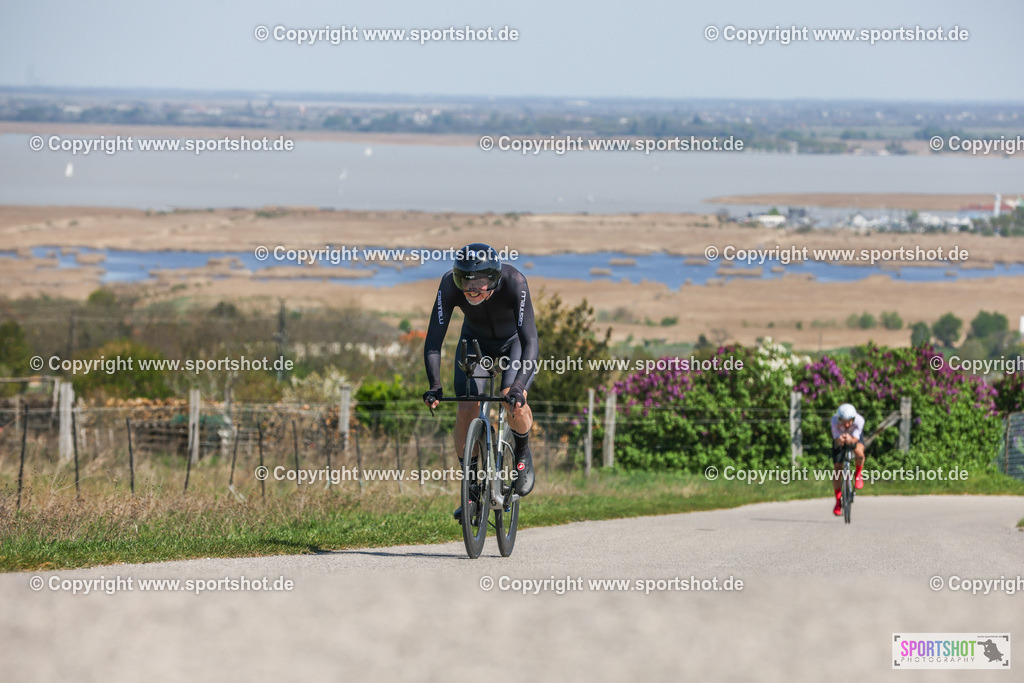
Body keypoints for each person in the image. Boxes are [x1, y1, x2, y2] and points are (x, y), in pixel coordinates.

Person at [422, 243, 539, 521]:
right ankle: (472, 488)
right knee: (467, 406)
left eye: (480, 282)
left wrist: (519, 387)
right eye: (465, 281)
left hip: (514, 345)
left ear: (495, 278)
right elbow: (433, 342)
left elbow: (530, 341)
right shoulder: (449, 285)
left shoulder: (515, 282)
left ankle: (522, 455)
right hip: (475, 344)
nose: (471, 289)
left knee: (512, 397)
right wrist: (435, 384)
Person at [831, 403, 865, 516]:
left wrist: (850, 441)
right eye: (843, 421)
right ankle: (838, 500)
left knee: (859, 452)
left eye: (849, 421)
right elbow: (836, 439)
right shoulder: (834, 420)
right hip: (840, 438)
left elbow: (855, 439)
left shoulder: (859, 420)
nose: (846, 424)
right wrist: (840, 440)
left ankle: (858, 473)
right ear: (839, 419)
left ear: (853, 419)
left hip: (854, 438)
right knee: (837, 469)